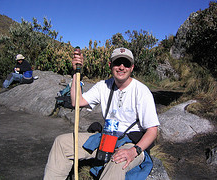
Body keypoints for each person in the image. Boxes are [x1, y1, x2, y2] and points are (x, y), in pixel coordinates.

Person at [44, 48, 160, 180]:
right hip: (107, 138)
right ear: (110, 65)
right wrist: (77, 72)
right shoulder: (103, 86)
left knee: (117, 162)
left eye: (126, 64)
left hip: (131, 142)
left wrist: (134, 151)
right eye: (118, 63)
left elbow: (152, 130)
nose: (121, 67)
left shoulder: (142, 92)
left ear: (132, 67)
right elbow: (77, 101)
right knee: (61, 143)